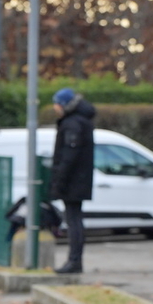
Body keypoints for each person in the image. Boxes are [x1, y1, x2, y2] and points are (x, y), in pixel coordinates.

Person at [49, 87, 96, 274]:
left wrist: (59, 180)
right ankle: (74, 260)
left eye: (57, 104)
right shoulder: (80, 121)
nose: (55, 107)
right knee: (75, 220)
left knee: (74, 221)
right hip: (79, 179)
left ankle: (74, 261)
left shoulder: (72, 124)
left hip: (73, 181)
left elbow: (68, 155)